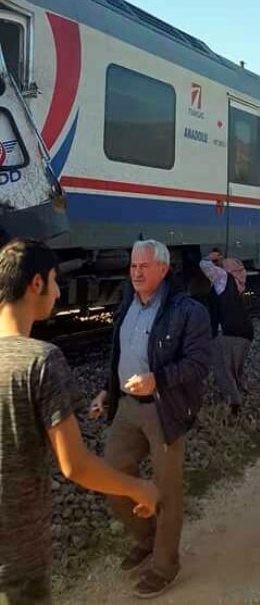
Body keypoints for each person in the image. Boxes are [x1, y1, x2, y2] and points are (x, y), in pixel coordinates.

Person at [0, 239, 158, 605]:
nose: (58, 291)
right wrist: (138, 488)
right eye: (55, 281)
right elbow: (75, 466)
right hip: (16, 559)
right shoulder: (41, 361)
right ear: (36, 284)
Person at [90, 240, 211, 599]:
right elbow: (122, 355)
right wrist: (107, 391)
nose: (137, 273)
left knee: (166, 491)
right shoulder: (128, 302)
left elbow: (199, 364)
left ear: (163, 268)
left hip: (164, 407)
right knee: (112, 479)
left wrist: (159, 379)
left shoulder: (187, 310)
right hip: (127, 405)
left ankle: (164, 566)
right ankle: (147, 538)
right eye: (132, 267)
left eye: (144, 267)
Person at [199, 249, 253, 415]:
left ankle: (234, 406)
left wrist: (210, 257)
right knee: (236, 369)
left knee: (223, 370)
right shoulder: (240, 279)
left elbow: (204, 265)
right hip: (245, 332)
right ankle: (241, 393)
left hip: (227, 332)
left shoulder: (223, 278)